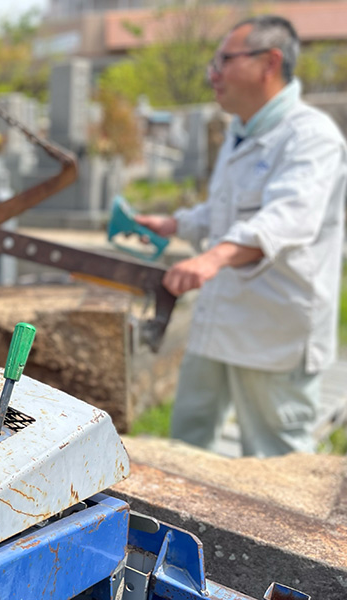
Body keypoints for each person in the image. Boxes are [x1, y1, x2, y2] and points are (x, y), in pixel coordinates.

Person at [135, 15, 347, 457]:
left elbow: (287, 218)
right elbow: (226, 211)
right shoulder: (240, 131)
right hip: (219, 317)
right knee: (188, 445)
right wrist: (177, 225)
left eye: (224, 61)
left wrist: (211, 259)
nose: (213, 74)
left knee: (276, 459)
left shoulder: (312, 138)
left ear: (269, 62)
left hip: (275, 330)